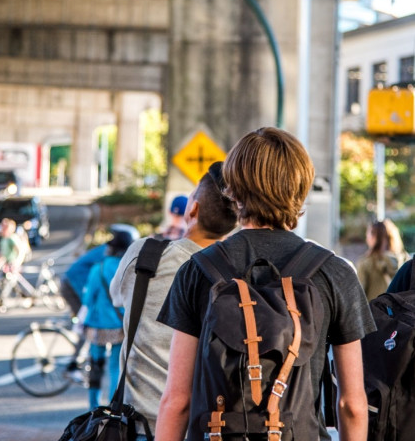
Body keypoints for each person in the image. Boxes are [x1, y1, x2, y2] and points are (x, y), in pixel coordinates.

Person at [156, 127, 376, 441]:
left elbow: (176, 401)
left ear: (232, 190)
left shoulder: (197, 271)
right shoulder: (334, 273)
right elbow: (352, 403)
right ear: (300, 186)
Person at [109, 162, 237, 438]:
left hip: (135, 424)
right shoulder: (233, 275)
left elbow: (117, 296)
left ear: (192, 209)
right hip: (199, 428)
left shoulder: (144, 253)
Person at [81, 230, 134, 409]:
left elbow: (88, 299)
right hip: (120, 324)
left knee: (96, 365)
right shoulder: (129, 268)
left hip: (98, 324)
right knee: (115, 367)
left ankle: (93, 406)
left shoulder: (99, 268)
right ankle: (114, 406)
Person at [60, 223, 140, 318]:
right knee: (88, 317)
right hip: (74, 283)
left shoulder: (108, 251)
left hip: (73, 282)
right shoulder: (110, 256)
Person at [357, 220, 400, 301]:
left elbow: (358, 297)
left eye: (368, 234)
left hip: (374, 312)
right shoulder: (402, 260)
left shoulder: (366, 263)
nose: (366, 237)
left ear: (374, 237)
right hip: (399, 312)